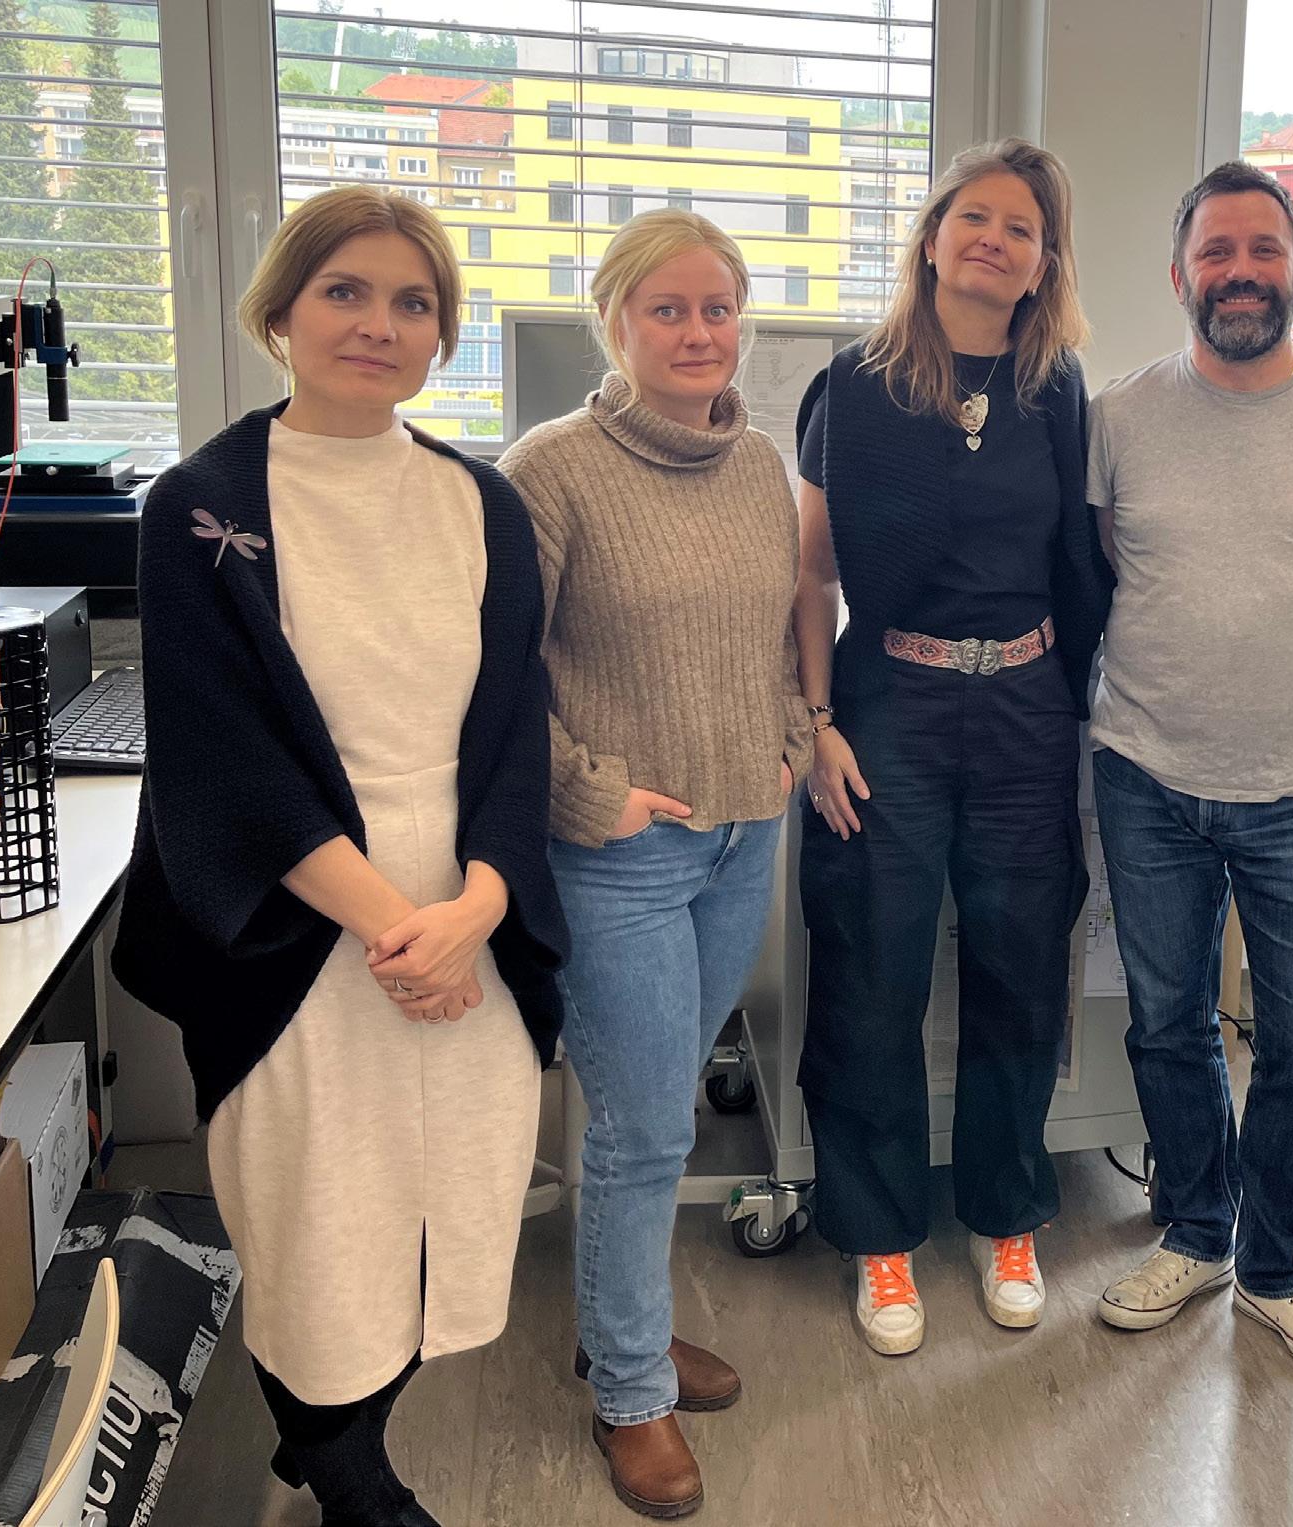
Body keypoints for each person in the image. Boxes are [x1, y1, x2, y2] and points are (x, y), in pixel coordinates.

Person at [112, 184, 567, 1525]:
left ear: (441, 335)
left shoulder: (482, 503)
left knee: (448, 1198)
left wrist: (477, 906)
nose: (379, 323)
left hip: (464, 898)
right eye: (345, 291)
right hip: (297, 912)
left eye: (412, 302)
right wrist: (391, 925)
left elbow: (517, 727)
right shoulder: (200, 505)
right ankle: (350, 1475)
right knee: (318, 1212)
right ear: (282, 310)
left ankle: (331, 1431)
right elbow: (224, 757)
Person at [497, 209, 807, 1519]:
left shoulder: (758, 462)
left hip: (743, 834)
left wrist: (789, 742)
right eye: (667, 309)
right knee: (641, 1128)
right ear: (612, 321)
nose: (697, 332)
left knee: (663, 1100)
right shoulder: (549, 470)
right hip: (618, 856)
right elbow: (497, 675)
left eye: (717, 309)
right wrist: (589, 791)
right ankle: (629, 1388)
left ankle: (616, 1323)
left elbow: (780, 632)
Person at [1087, 162, 1293, 1376]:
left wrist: (1287, 675)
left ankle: (1281, 1269)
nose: (1240, 273)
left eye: (1263, 250)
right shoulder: (1119, 417)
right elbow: (1107, 576)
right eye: (1217, 252)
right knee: (1167, 1028)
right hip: (1145, 773)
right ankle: (1196, 1232)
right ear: (1179, 275)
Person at [792, 138, 1109, 1356]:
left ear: (1044, 262)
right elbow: (813, 578)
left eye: (1022, 228)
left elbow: (1080, 559)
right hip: (892, 707)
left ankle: (1006, 1215)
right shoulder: (854, 386)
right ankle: (878, 1235)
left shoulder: (1056, 389)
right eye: (974, 216)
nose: (994, 240)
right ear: (931, 238)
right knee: (873, 970)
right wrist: (818, 723)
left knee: (1023, 967)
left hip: (1027, 707)